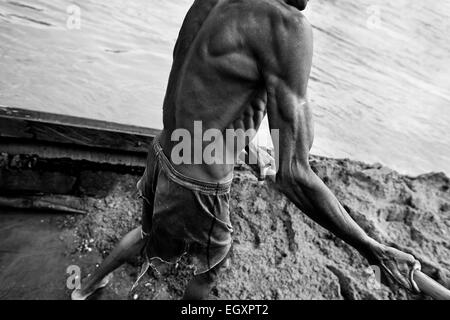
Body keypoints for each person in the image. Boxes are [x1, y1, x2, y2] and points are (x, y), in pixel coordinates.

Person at [72, 0, 421, 300]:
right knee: (211, 266)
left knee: (149, 233)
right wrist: (373, 250)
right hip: (198, 182)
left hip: (164, 150)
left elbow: (202, 87)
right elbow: (294, 176)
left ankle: (86, 287)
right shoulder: (286, 26)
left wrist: (244, 142)